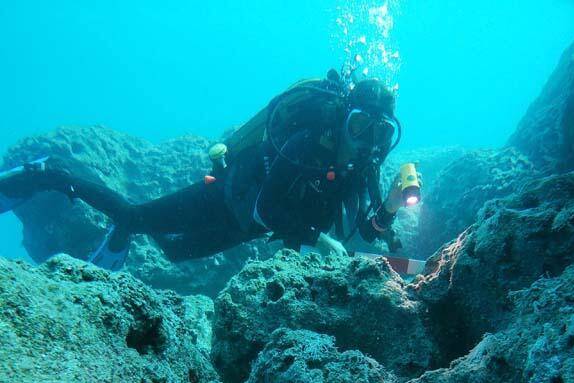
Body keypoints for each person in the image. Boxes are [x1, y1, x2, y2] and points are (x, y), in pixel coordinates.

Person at [0, 71, 416, 271]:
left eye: (378, 132)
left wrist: (392, 207)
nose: (365, 140)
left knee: (176, 252)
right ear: (344, 118)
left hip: (244, 228)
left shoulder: (363, 163)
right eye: (360, 126)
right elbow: (268, 208)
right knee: (133, 217)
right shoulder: (307, 141)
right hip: (229, 196)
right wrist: (318, 239)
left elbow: (368, 229)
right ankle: (50, 173)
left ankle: (121, 232)